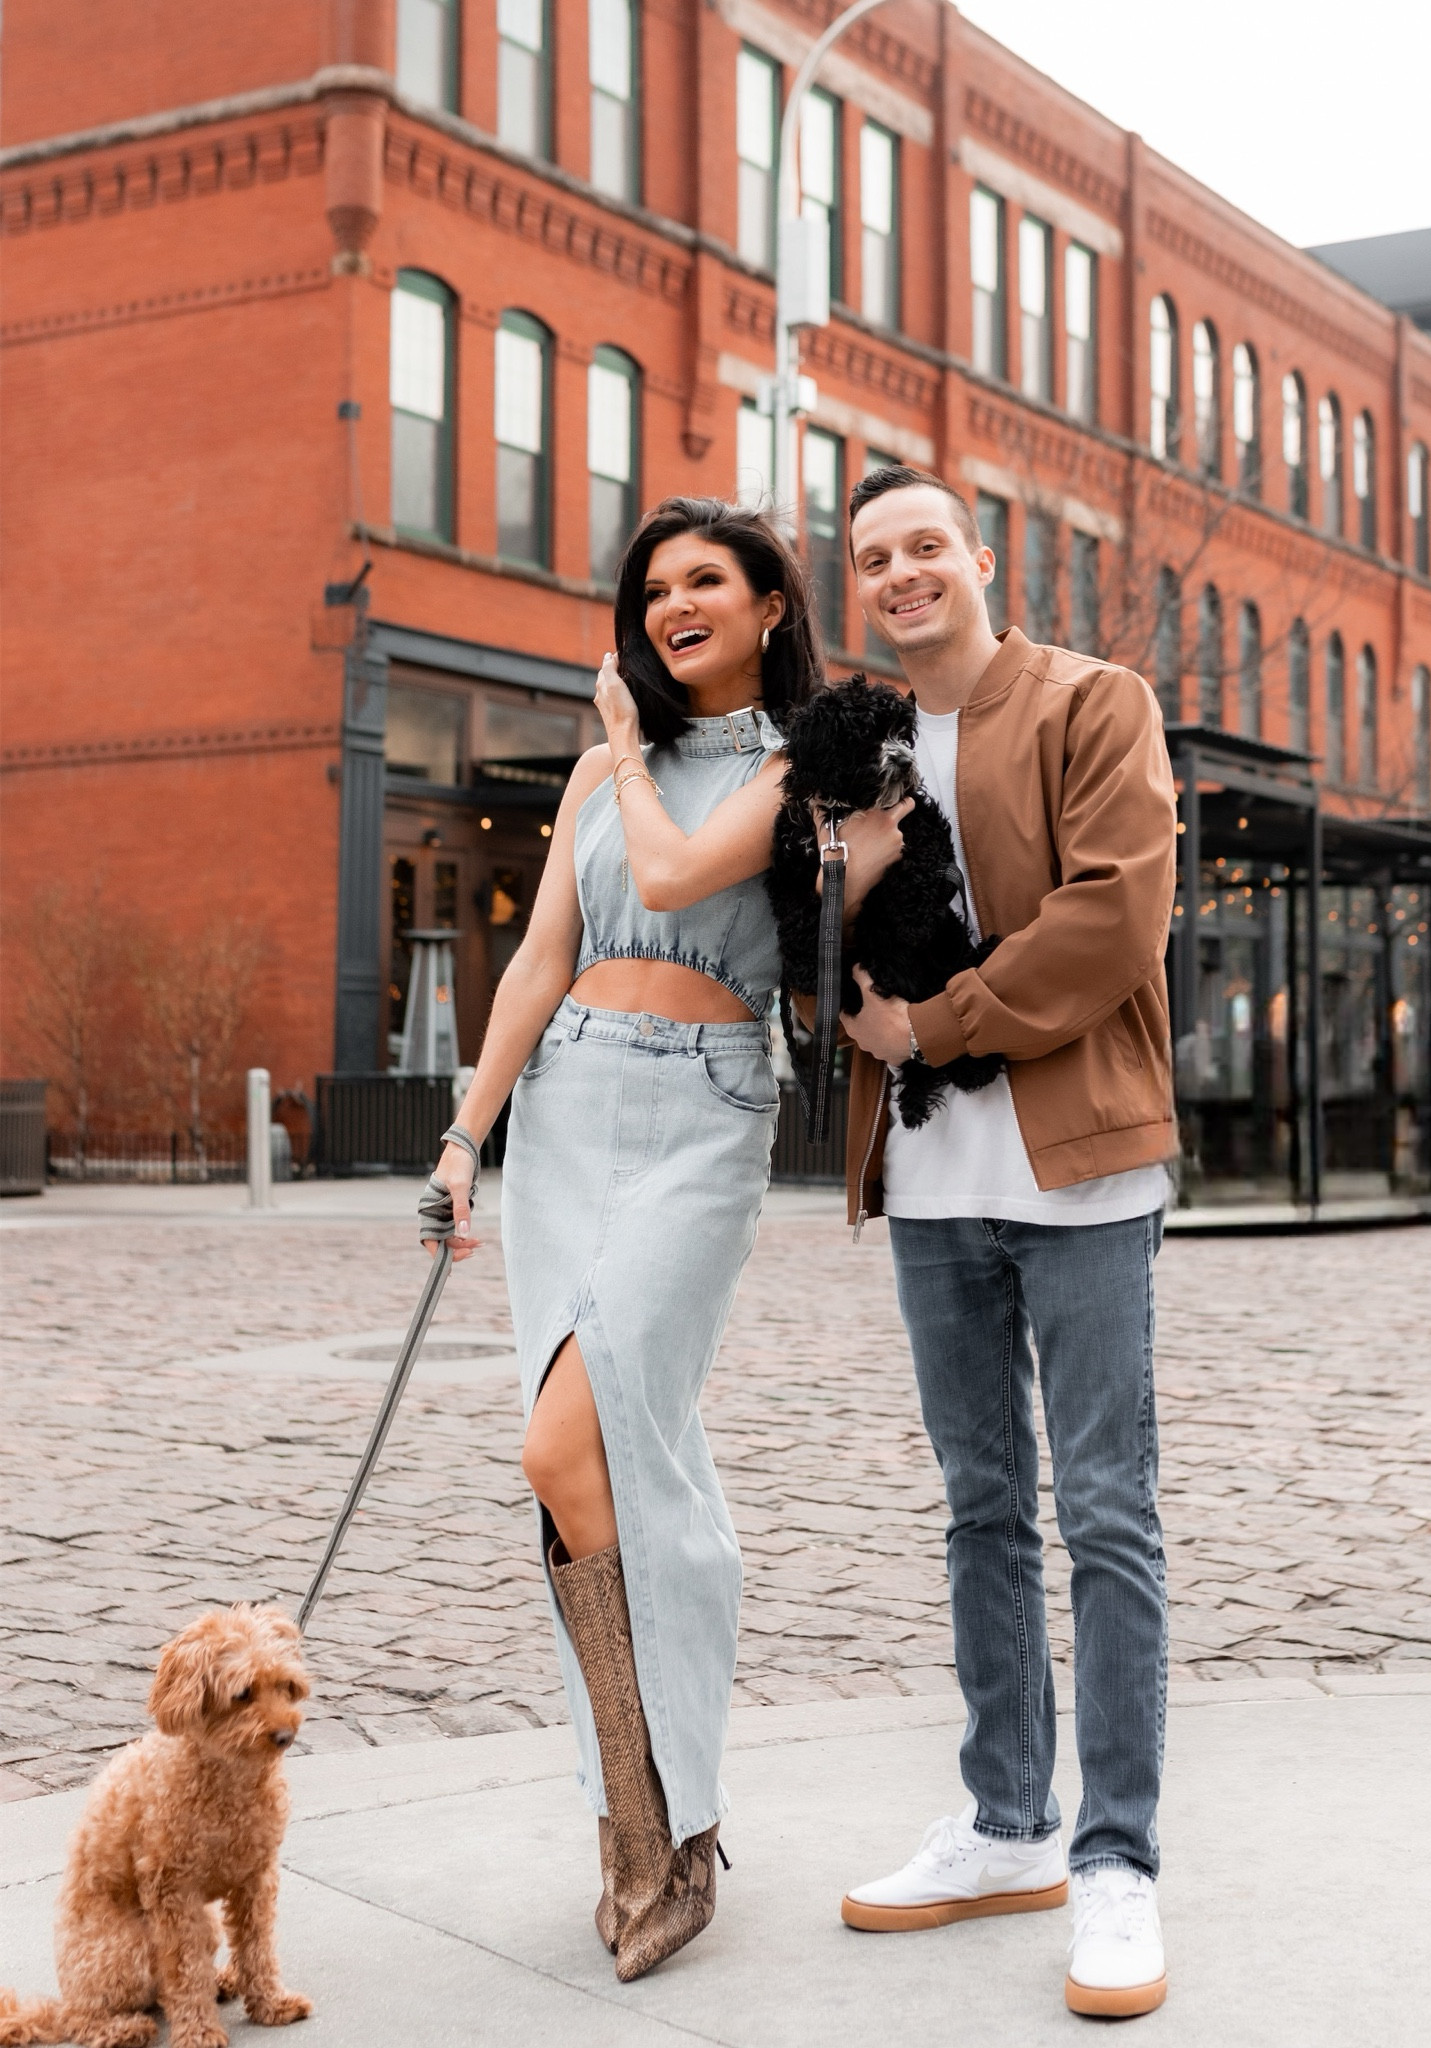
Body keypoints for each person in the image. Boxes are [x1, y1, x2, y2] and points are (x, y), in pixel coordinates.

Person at [417, 498, 878, 1982]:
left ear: (763, 610)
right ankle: (645, 1823)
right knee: (603, 1461)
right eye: (654, 586)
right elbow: (542, 957)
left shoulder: (798, 758)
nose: (673, 603)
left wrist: (619, 745)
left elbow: (679, 880)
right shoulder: (605, 770)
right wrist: (464, 1136)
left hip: (702, 1112)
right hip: (567, 1112)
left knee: (587, 1444)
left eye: (705, 582)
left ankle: (666, 1816)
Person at [829, 466, 1178, 2019]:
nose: (903, 574)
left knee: (1103, 1515)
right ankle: (1003, 1823)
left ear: (980, 560)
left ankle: (1114, 1869)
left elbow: (1112, 920)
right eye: (873, 560)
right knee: (981, 1510)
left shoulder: (1098, 703)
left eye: (925, 548)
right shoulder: (861, 746)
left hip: (1082, 1168)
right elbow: (810, 922)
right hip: (931, 1178)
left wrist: (936, 1024)